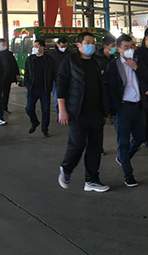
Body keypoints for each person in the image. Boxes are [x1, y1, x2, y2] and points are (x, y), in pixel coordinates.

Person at [57, 32, 110, 193]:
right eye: (87, 42)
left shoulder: (97, 62)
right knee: (77, 144)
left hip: (96, 111)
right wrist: (62, 110)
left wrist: (106, 111)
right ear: (79, 45)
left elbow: (103, 87)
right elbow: (61, 86)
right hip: (77, 111)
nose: (91, 45)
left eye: (93, 42)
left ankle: (91, 180)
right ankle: (66, 168)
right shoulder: (70, 62)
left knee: (95, 147)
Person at [105, 34, 148, 187]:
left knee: (140, 138)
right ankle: (128, 175)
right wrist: (112, 110)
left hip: (138, 106)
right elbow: (110, 90)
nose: (130, 49)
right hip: (123, 108)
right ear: (119, 49)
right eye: (126, 47)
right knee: (123, 142)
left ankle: (123, 158)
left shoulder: (137, 62)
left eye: (131, 46)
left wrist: (136, 68)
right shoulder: (113, 67)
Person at [24, 39, 56, 137]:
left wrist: (52, 84)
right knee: (29, 108)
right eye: (33, 46)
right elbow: (27, 73)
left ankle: (44, 129)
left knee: (45, 110)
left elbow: (54, 73)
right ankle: (35, 122)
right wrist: (27, 84)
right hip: (32, 89)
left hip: (44, 89)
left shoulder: (49, 60)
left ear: (42, 47)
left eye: (36, 46)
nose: (34, 48)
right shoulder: (30, 60)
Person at [47, 36, 70, 116]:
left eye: (65, 46)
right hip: (56, 80)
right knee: (58, 99)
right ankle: (59, 115)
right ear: (58, 45)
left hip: (68, 80)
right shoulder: (51, 55)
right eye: (62, 46)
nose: (64, 48)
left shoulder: (70, 54)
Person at [0, 38, 20, 114]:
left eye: (5, 44)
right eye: (2, 45)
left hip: (7, 77)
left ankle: (4, 108)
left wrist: (17, 73)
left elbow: (14, 64)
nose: (4, 46)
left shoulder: (9, 54)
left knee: (6, 93)